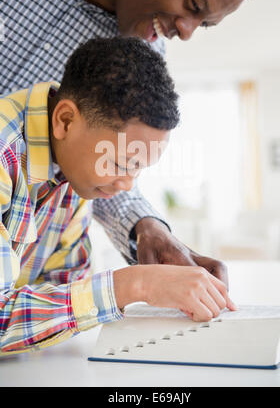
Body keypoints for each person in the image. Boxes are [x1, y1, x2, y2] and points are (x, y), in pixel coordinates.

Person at [0, 0, 259, 285]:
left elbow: (93, 163)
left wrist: (146, 227)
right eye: (193, 3)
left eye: (203, 24)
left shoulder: (138, 56)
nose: (186, 32)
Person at [0, 37, 236, 354]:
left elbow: (60, 289)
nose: (125, 186)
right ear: (65, 121)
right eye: (118, 163)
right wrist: (136, 284)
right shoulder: (6, 152)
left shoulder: (73, 173)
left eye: (137, 169)